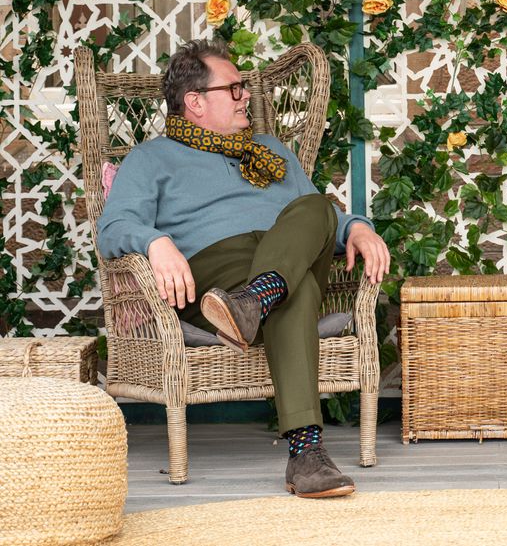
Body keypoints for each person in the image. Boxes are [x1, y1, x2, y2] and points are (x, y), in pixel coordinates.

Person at [97, 39, 390, 498]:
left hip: (277, 267)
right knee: (295, 294)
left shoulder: (271, 149)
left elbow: (319, 221)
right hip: (214, 283)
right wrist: (154, 242)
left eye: (245, 88)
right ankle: (307, 455)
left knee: (315, 206)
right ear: (194, 102)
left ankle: (256, 300)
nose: (245, 96)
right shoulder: (150, 159)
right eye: (233, 89)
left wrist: (356, 229)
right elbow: (113, 228)